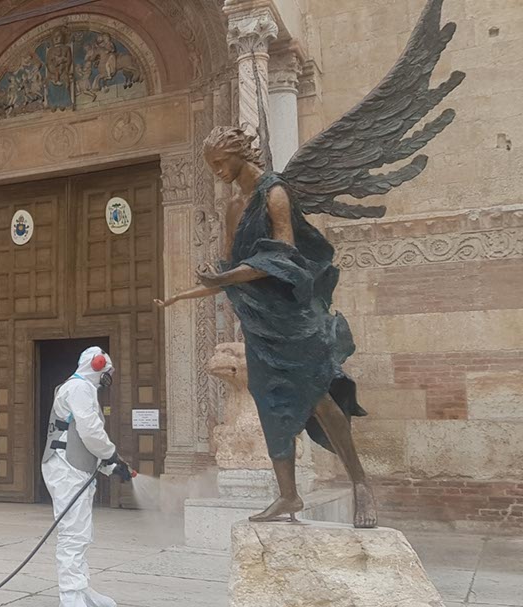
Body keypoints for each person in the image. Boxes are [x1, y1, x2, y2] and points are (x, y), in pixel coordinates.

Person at [154, 126, 375, 528]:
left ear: (240, 153)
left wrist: (223, 280)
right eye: (211, 166)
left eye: (221, 162)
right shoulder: (233, 209)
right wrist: (183, 295)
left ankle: (360, 483)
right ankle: (288, 495)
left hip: (292, 317)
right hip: (260, 326)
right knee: (271, 404)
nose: (218, 170)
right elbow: (226, 270)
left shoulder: (275, 194)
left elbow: (284, 258)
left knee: (318, 397)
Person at [42, 346, 122, 607]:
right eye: (106, 373)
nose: (107, 379)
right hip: (67, 469)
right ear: (99, 365)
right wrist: (111, 454)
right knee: (73, 534)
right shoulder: (80, 388)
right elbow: (90, 431)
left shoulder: (81, 389)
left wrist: (111, 466)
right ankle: (70, 599)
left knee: (82, 532)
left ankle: (82, 589)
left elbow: (79, 435)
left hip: (75, 466)